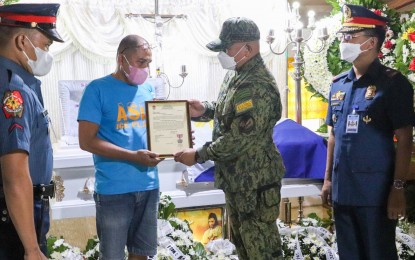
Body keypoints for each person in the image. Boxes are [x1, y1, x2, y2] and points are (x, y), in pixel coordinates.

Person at [174, 17, 285, 260]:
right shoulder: (238, 74)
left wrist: (200, 155)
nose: (223, 54)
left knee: (262, 251)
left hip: (255, 183)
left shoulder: (258, 84)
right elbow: (231, 113)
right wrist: (203, 110)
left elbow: (240, 137)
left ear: (248, 48)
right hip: (239, 180)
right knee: (244, 248)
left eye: (228, 48)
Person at [321, 4, 415, 260]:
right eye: (343, 36)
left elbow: (405, 138)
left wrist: (398, 188)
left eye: (351, 36)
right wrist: (328, 179)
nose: (344, 41)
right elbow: (333, 135)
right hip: (343, 192)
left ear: (371, 42)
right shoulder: (338, 84)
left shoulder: (392, 84)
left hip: (376, 194)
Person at [78, 35, 164, 260]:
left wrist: (177, 139)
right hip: (114, 190)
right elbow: (86, 141)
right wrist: (133, 156)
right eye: (141, 62)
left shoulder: (147, 89)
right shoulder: (97, 89)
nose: (146, 68)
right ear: (121, 59)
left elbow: (152, 132)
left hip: (148, 185)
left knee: (141, 254)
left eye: (148, 62)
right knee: (113, 256)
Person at [0, 3, 64, 260]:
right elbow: (15, 174)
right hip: (14, 218)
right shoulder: (13, 92)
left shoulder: (18, 84)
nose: (47, 53)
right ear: (22, 41)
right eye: (45, 45)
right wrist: (31, 248)